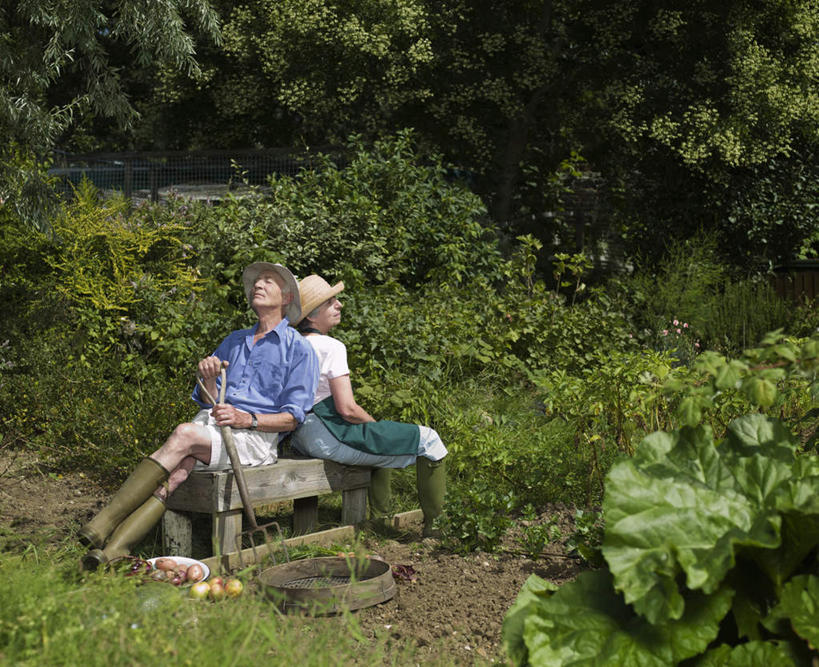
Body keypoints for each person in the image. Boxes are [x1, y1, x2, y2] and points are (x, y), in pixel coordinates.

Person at [79, 263, 318, 569]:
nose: (258, 284)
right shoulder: (235, 340)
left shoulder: (298, 349)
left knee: (184, 434)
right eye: (256, 281)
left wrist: (249, 419)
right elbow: (209, 400)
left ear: (286, 299)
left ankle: (101, 525)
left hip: (257, 439)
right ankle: (111, 553)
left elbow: (293, 418)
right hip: (215, 429)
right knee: (176, 475)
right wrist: (207, 378)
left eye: (268, 281)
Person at [290, 275, 447, 537]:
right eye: (331, 302)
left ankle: (381, 521)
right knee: (430, 441)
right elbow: (347, 409)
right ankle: (437, 528)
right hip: (330, 435)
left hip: (301, 436)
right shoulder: (331, 347)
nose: (339, 305)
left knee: (378, 441)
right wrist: (374, 425)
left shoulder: (291, 345)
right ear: (312, 315)